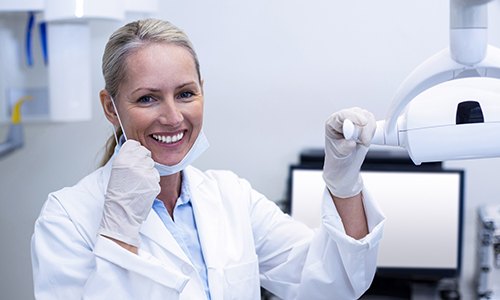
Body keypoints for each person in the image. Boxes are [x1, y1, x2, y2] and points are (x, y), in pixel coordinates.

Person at [31, 18, 385, 300]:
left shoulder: (231, 196)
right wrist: (119, 233)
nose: (172, 117)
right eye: (147, 99)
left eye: (185, 94)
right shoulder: (67, 218)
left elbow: (331, 284)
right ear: (111, 107)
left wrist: (344, 183)